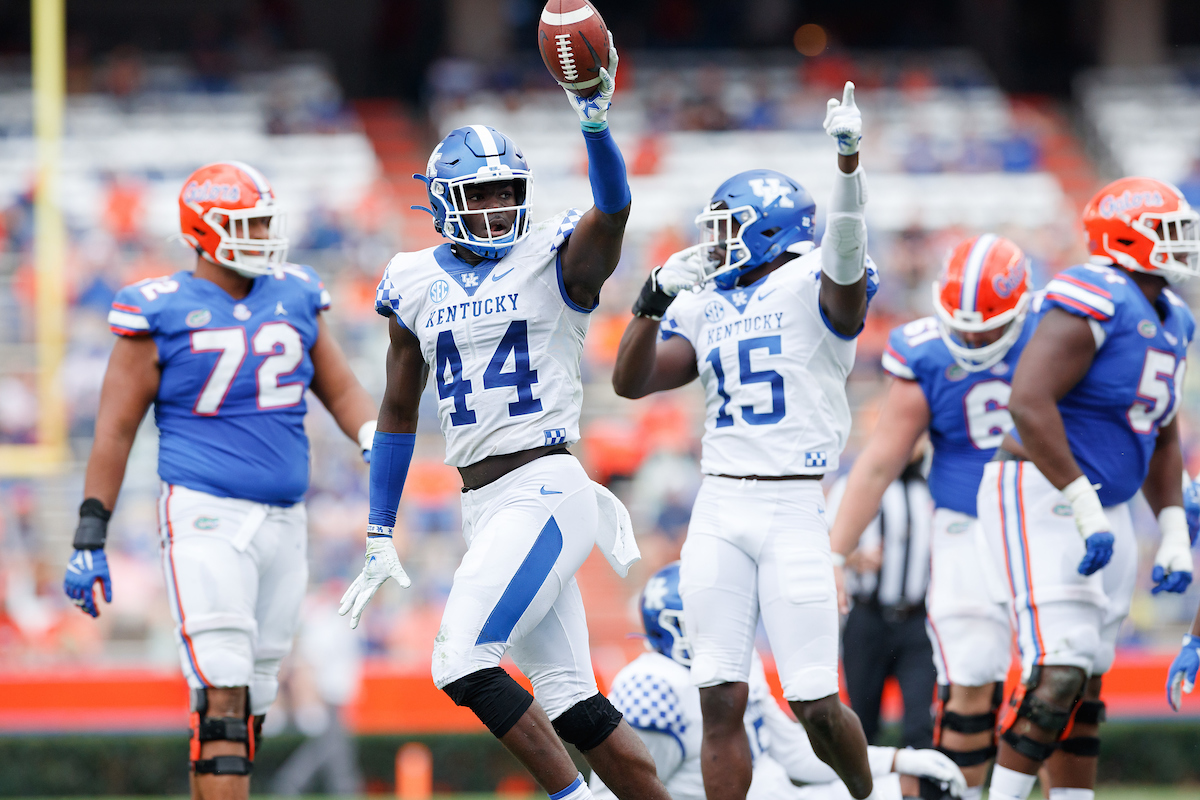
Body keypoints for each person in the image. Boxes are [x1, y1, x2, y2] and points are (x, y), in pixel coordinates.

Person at [337, 38, 671, 800]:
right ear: (445, 201)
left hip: (544, 486)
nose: (495, 207)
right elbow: (396, 406)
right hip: (482, 504)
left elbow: (614, 209)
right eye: (480, 195)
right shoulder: (412, 280)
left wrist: (594, 121)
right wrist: (380, 526)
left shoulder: (552, 258)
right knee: (574, 702)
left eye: (504, 192)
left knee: (460, 660)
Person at [61, 161, 378, 799]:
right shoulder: (160, 309)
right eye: (248, 222)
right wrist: (89, 533)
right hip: (206, 513)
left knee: (251, 698)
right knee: (223, 689)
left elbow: (339, 386)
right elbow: (115, 430)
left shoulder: (295, 292)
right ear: (203, 232)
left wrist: (375, 439)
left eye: (265, 220)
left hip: (287, 521)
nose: (263, 233)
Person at [612, 82, 878, 800]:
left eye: (728, 227)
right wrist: (653, 297)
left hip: (794, 505)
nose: (715, 241)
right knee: (719, 699)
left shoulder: (810, 283)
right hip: (720, 506)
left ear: (767, 230)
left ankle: (868, 794)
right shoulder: (705, 304)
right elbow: (630, 382)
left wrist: (848, 167)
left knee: (816, 703)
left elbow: (847, 269)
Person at [977, 177, 1197, 800]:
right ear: (1127, 237)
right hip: (1041, 492)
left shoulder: (1174, 317)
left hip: (1110, 503)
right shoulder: (1095, 291)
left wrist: (1175, 530)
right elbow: (1027, 401)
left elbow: (1161, 429)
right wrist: (1080, 500)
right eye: (1171, 231)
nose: (1185, 244)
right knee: (1063, 661)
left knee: (1088, 675)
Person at [829, 235, 1036, 800]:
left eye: (986, 324)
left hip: (1044, 518)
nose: (970, 337)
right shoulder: (925, 352)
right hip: (964, 526)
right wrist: (835, 553)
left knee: (1061, 679)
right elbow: (874, 466)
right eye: (960, 323)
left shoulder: (1057, 330)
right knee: (966, 684)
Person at [589, 563, 967, 800]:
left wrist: (899, 759)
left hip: (778, 791)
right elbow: (620, 791)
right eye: (708, 617)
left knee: (922, 788)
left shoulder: (741, 661)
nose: (725, 623)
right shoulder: (653, 683)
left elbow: (796, 754)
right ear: (672, 625)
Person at [827, 448, 936, 756]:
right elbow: (820, 542)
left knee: (920, 723)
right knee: (862, 720)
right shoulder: (853, 484)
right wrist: (851, 557)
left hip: (918, 620)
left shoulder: (932, 483)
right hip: (867, 618)